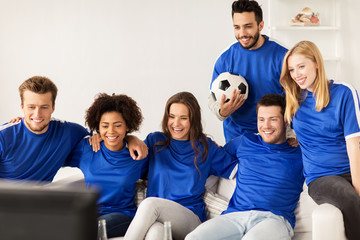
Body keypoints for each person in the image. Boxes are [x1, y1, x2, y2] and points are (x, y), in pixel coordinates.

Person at [186, 94, 304, 240]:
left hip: (274, 220)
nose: (266, 126)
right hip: (235, 216)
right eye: (261, 119)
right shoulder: (245, 141)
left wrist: (301, 139)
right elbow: (214, 157)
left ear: (286, 121)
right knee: (194, 238)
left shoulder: (300, 153)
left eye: (273, 119)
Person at [124, 92, 238, 240]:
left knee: (149, 204)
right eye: (172, 116)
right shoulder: (155, 141)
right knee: (155, 233)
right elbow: (129, 165)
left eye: (183, 118)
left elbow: (238, 169)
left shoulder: (206, 147)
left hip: (189, 217)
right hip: (158, 218)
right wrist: (130, 138)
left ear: (193, 120)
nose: (176, 123)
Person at [279, 40, 360, 240]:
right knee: (349, 197)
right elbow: (272, 129)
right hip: (321, 177)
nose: (296, 74)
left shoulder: (344, 93)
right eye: (291, 69)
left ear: (316, 63)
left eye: (301, 66)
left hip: (352, 168)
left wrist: (358, 184)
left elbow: (353, 144)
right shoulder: (293, 101)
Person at [0, 76, 147, 183]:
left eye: (44, 107)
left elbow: (109, 135)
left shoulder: (69, 132)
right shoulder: (4, 137)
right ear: (22, 107)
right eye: (31, 107)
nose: (37, 114)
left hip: (38, 208)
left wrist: (130, 138)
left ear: (53, 107)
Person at [65, 93, 147, 238]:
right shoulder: (87, 149)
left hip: (122, 215)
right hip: (90, 213)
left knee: (87, 229)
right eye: (105, 125)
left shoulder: (138, 154)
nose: (111, 131)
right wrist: (25, 122)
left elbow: (158, 173)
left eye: (117, 125)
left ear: (127, 126)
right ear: (98, 127)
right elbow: (54, 152)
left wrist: (133, 139)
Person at [209, 0, 288, 142]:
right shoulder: (225, 58)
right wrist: (221, 112)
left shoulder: (282, 56)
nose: (242, 33)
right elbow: (212, 99)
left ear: (260, 25)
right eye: (237, 27)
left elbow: (297, 98)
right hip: (238, 137)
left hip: (274, 136)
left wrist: (291, 132)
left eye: (248, 26)